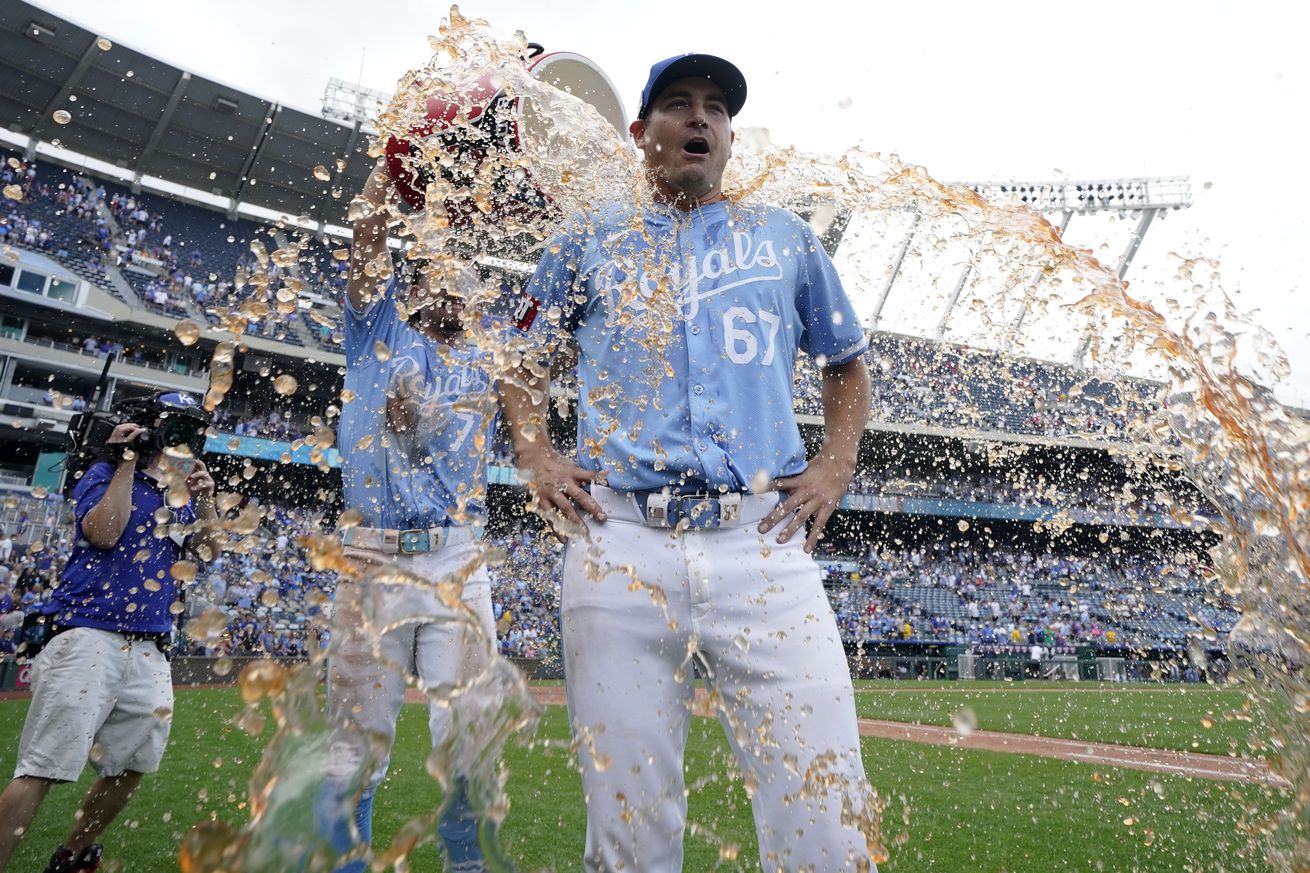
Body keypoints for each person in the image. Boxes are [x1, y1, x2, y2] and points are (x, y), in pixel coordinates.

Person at [500, 53, 879, 871]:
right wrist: (535, 453)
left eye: (717, 107)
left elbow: (845, 362)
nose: (700, 118)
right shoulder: (587, 238)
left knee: (830, 823)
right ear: (641, 134)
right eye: (678, 104)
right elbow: (519, 361)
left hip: (763, 544)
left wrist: (834, 465)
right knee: (629, 832)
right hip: (622, 545)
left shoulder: (785, 237)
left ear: (732, 137)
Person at [313, 157, 507, 873]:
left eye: (468, 272)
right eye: (442, 270)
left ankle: (466, 865)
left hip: (459, 556)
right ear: (418, 282)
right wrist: (399, 150)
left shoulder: (487, 358)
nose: (456, 281)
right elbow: (366, 228)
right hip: (373, 554)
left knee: (471, 730)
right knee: (355, 743)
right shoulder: (377, 330)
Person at [0, 391, 217, 873]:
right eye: (171, 426)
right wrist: (125, 461)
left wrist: (204, 501)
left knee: (135, 763)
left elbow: (208, 553)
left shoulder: (180, 490)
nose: (178, 439)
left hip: (151, 643)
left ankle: (74, 855)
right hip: (88, 633)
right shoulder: (100, 472)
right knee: (43, 766)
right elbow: (104, 532)